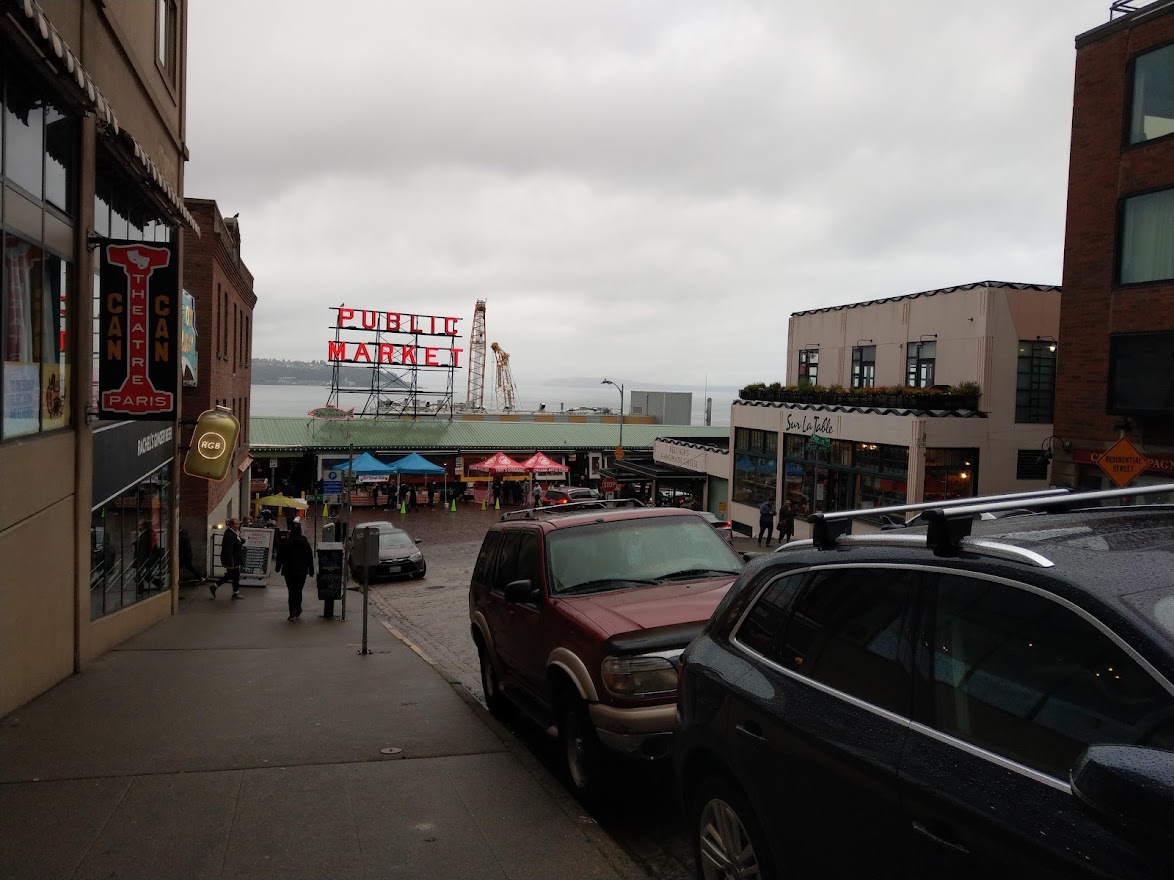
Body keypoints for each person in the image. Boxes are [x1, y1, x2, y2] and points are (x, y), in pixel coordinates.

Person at [275, 519, 314, 621]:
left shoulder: (286, 543)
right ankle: (298, 609)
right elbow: (310, 556)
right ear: (301, 530)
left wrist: (278, 567)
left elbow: (280, 556)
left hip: (289, 570)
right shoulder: (305, 543)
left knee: (291, 591)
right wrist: (311, 569)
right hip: (302, 570)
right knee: (299, 591)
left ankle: (292, 612)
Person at [211, 518, 244, 600]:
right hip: (233, 559)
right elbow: (228, 549)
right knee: (235, 575)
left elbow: (235, 544)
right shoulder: (229, 535)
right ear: (232, 525)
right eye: (236, 524)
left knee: (231, 575)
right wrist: (231, 561)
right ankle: (235, 593)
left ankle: (215, 586)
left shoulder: (232, 533)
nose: (238, 526)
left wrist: (241, 541)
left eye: (238, 524)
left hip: (234, 559)